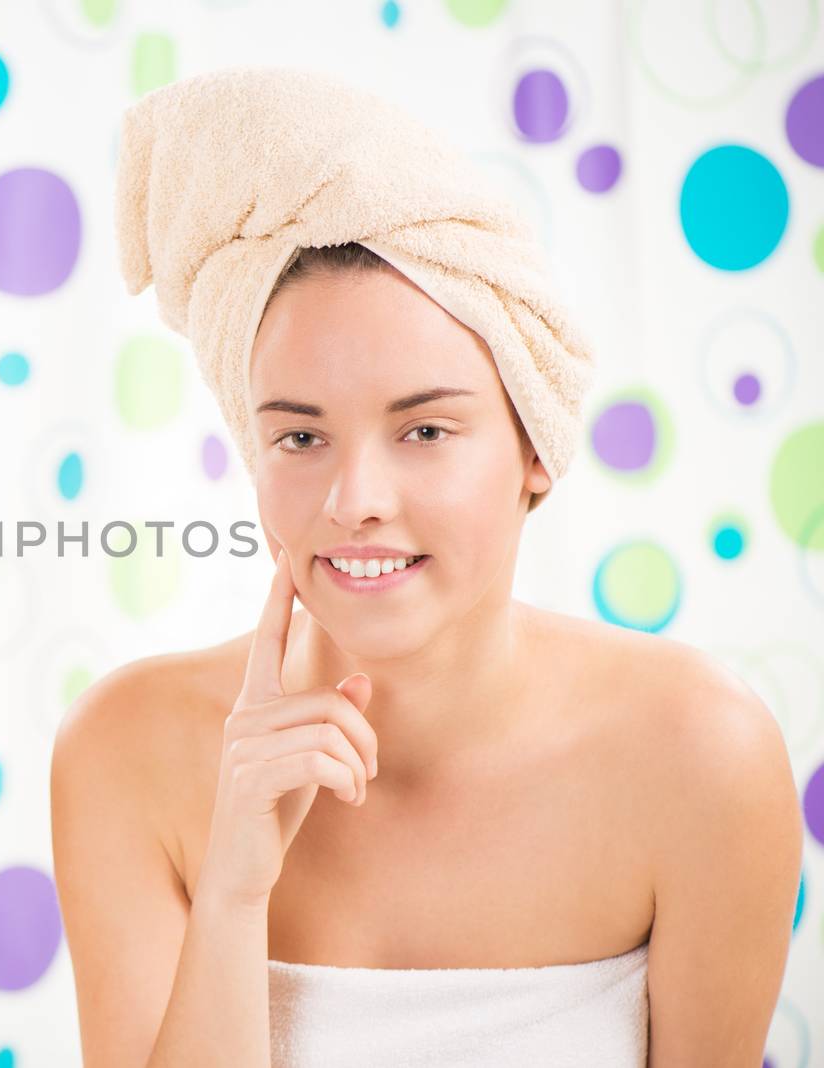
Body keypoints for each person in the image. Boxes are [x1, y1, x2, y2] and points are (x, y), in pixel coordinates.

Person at [51, 68, 801, 1067]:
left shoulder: (700, 758)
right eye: (299, 438)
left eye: (425, 428)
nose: (354, 496)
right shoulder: (128, 751)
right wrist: (233, 897)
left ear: (535, 445)